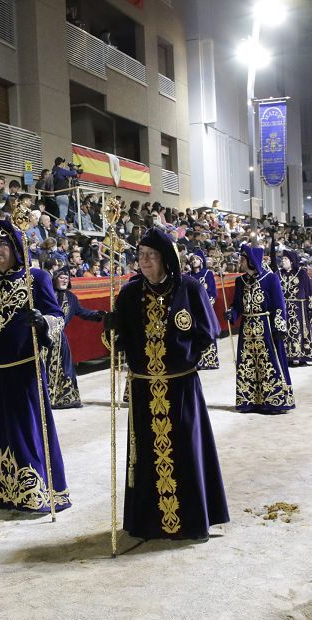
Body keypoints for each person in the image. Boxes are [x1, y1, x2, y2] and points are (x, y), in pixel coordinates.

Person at [109, 228, 228, 541]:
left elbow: (207, 332)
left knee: (186, 450)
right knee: (145, 456)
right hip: (144, 389)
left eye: (151, 255)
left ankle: (192, 521)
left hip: (181, 387)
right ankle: (148, 523)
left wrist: (185, 359)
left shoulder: (188, 288)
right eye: (141, 255)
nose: (145, 261)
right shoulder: (130, 293)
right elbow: (117, 341)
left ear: (166, 259)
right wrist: (111, 328)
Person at [0, 218, 70, 513]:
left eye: (2, 245)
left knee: (26, 431)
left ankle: (34, 491)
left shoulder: (38, 279)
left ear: (15, 248)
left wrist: (42, 321)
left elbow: (58, 317)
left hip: (24, 370)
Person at [225, 244, 294, 414]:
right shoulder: (239, 281)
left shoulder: (271, 279)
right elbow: (237, 304)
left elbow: (279, 305)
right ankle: (249, 401)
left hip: (266, 328)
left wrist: (279, 328)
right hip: (247, 330)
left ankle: (273, 401)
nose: (239, 262)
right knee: (248, 363)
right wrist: (232, 313)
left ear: (250, 260)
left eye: (242, 259)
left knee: (268, 363)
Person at [46, 266, 104, 408]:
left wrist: (99, 314)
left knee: (65, 369)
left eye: (67, 278)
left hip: (61, 340)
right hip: (44, 338)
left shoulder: (71, 298)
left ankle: (65, 399)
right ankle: (44, 399)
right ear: (55, 279)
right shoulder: (46, 294)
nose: (64, 280)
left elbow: (83, 312)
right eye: (61, 278)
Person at [278, 249, 312, 366]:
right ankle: (288, 357)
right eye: (283, 259)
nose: (283, 261)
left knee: (299, 331)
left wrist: (311, 306)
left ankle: (302, 357)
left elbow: (309, 291)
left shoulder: (302, 273)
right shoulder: (278, 274)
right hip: (284, 309)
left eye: (285, 259)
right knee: (285, 332)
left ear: (292, 261)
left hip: (299, 309)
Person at [185, 252, 220, 370]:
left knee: (207, 330)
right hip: (192, 310)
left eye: (197, 259)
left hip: (205, 308)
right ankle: (196, 361)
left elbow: (213, 292)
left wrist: (206, 305)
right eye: (192, 259)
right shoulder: (187, 275)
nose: (194, 261)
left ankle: (209, 360)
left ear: (201, 261)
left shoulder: (208, 274)